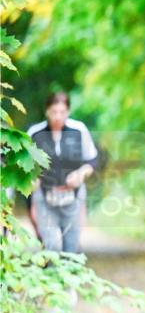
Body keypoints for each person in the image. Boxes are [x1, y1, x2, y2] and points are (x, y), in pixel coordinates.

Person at [27, 92, 98, 253]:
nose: (58, 117)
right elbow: (25, 167)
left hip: (73, 197)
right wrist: (32, 182)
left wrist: (81, 174)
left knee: (71, 249)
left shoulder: (79, 130)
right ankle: (50, 275)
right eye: (54, 112)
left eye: (62, 112)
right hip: (44, 197)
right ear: (47, 111)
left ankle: (70, 276)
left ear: (68, 111)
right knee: (52, 246)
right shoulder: (34, 133)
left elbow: (92, 160)